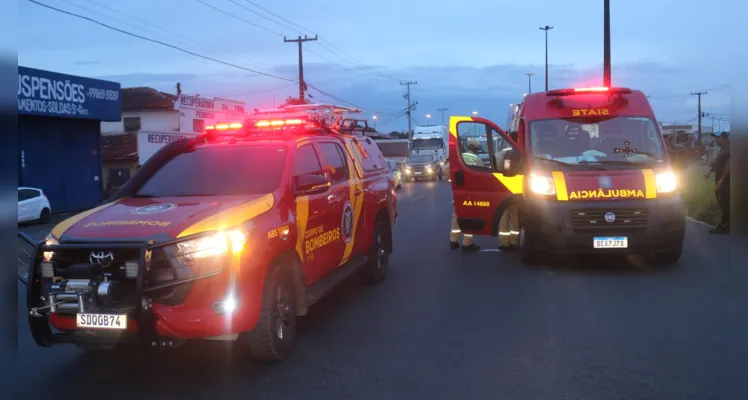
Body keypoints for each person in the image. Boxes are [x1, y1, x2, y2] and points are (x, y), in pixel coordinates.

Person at [451, 139, 483, 251]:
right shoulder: (477, 160)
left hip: (458, 193)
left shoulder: (459, 157)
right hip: (471, 195)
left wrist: (454, 181)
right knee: (469, 217)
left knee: (456, 216)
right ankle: (467, 243)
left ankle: (453, 241)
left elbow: (446, 171)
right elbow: (482, 177)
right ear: (475, 149)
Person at [702, 131, 730, 234]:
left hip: (727, 181)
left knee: (725, 203)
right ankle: (726, 223)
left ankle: (724, 225)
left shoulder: (729, 149)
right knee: (722, 202)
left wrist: (722, 180)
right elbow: (715, 164)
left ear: (724, 137)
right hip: (720, 181)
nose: (716, 140)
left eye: (717, 138)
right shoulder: (721, 149)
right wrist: (708, 174)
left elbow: (728, 165)